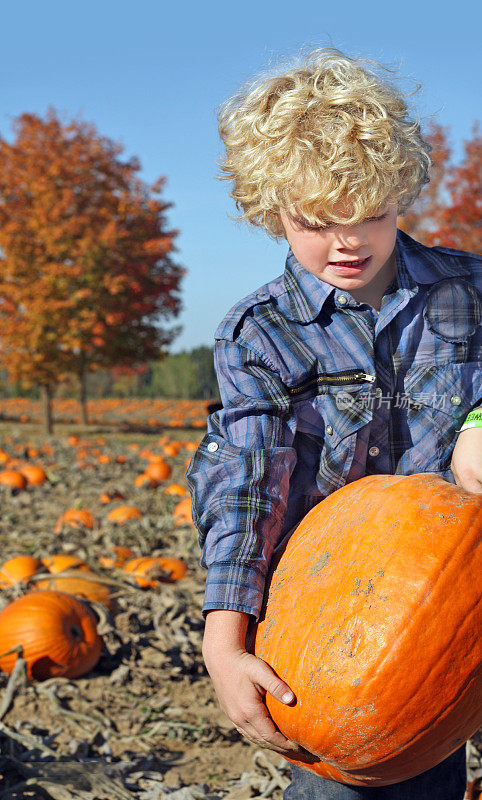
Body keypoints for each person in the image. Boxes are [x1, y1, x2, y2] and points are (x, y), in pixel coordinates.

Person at [186, 47, 482, 799]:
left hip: (468, 587)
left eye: (372, 215)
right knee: (363, 773)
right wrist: (224, 638)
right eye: (316, 222)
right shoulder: (261, 333)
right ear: (269, 206)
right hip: (346, 630)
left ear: (402, 193)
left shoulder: (470, 292)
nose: (347, 242)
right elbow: (247, 481)